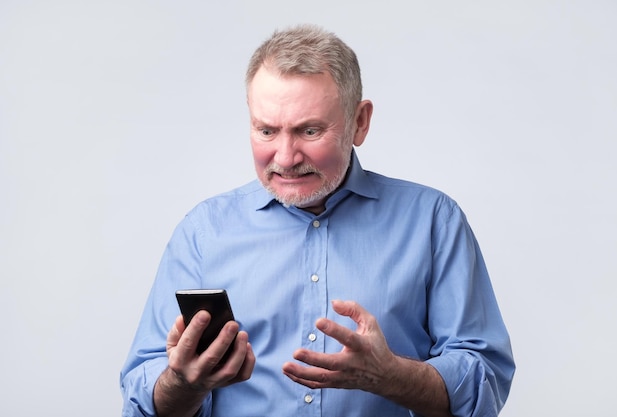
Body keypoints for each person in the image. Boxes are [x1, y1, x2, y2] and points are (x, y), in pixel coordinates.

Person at [120, 24, 515, 417]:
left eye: (309, 130)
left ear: (360, 122)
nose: (286, 156)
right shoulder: (204, 232)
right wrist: (184, 384)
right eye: (266, 130)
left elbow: (485, 383)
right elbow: (141, 400)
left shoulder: (434, 222)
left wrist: (393, 376)